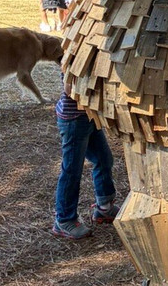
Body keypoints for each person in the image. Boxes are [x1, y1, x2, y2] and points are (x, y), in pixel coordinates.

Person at [51, 77, 117, 239]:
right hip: (74, 120)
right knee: (72, 170)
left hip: (90, 116)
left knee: (104, 159)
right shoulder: (74, 55)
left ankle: (104, 207)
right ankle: (64, 220)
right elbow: (68, 88)